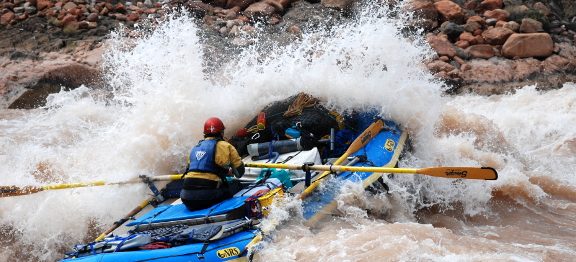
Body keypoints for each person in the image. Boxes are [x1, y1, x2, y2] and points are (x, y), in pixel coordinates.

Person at [180, 117, 245, 211]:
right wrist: (231, 171)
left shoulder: (195, 148)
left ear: (204, 134)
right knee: (236, 185)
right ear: (221, 132)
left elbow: (203, 168)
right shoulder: (226, 146)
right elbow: (239, 173)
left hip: (186, 198)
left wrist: (224, 171)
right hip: (206, 197)